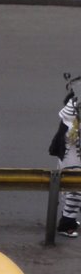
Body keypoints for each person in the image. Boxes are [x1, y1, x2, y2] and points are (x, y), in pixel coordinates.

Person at [54, 94, 81, 237]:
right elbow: (72, 134)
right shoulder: (73, 111)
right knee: (75, 190)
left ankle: (69, 218)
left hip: (71, 155)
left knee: (72, 189)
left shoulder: (74, 101)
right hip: (71, 158)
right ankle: (66, 224)